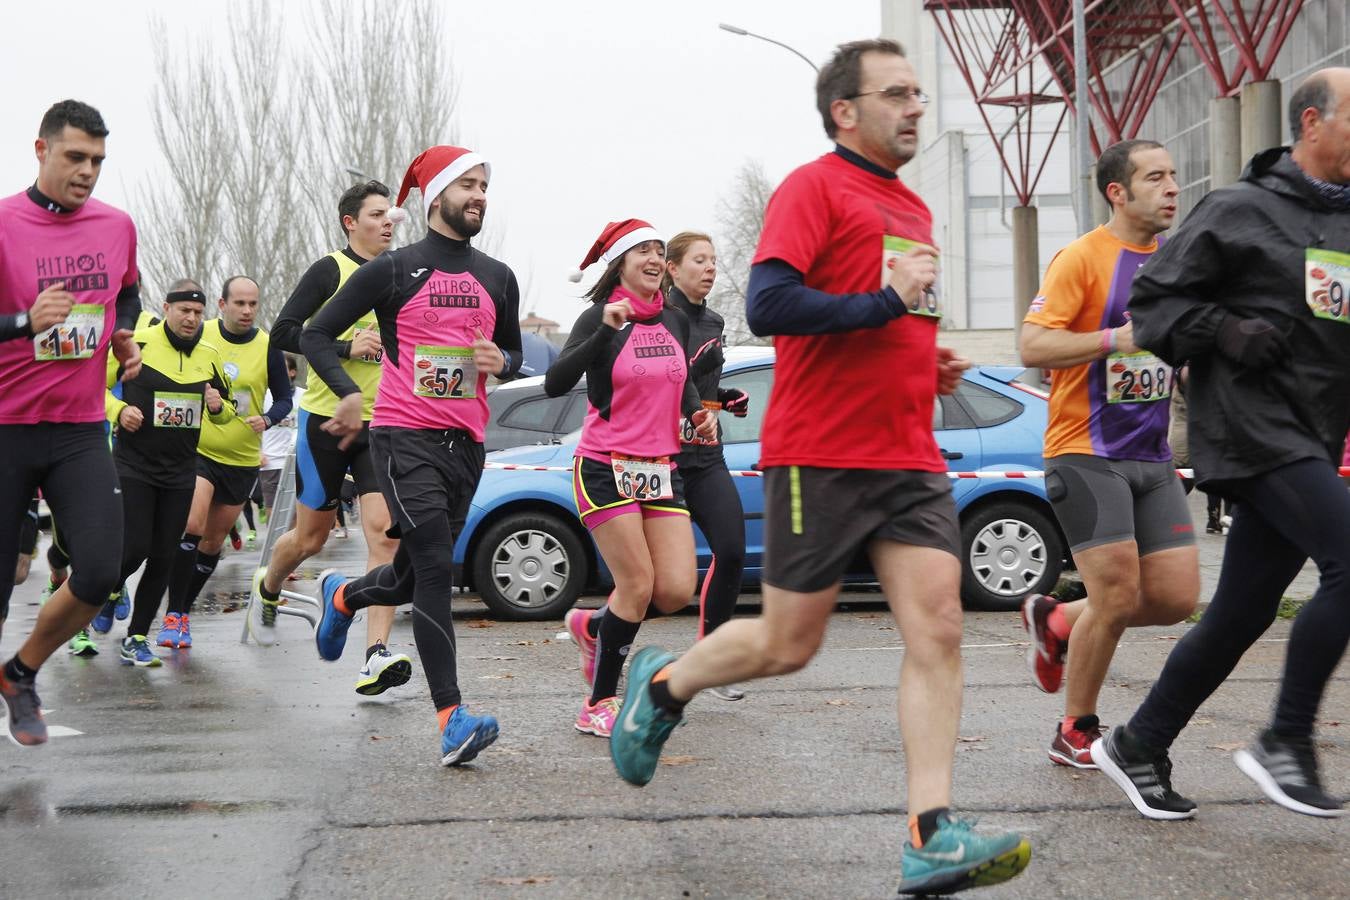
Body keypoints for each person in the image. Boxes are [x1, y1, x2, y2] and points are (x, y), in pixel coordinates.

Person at [606, 40, 1030, 896]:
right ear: (846, 111)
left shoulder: (913, 208)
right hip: (821, 454)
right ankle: (665, 684)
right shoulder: (813, 188)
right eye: (896, 94)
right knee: (788, 645)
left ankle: (930, 832)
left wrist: (929, 358)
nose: (916, 106)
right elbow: (770, 303)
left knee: (940, 625)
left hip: (908, 453)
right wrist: (886, 304)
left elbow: (895, 317)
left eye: (918, 93)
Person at [1092, 67, 1350, 820]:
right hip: (1250, 430)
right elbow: (1155, 302)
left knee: (1242, 610)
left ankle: (1140, 741)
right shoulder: (1239, 210)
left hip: (1311, 432)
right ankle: (1286, 740)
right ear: (1311, 124)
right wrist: (1223, 330)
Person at [301, 145, 522, 765]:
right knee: (431, 569)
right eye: (469, 184)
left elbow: (513, 353)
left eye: (486, 184)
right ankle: (453, 718)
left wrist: (501, 362)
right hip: (403, 437)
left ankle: (343, 596)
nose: (480, 194)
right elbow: (315, 333)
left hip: (467, 443)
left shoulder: (497, 275)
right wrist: (346, 393)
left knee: (410, 573)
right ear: (436, 195)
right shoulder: (396, 270)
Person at [1017, 140, 1199, 768]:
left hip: (1151, 456)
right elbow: (1033, 345)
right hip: (1085, 451)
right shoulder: (1082, 258)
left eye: (1173, 175)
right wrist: (1114, 338)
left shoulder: (1178, 262)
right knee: (1117, 597)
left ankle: (1061, 621)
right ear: (1117, 192)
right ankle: (1075, 729)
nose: (1172, 187)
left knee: (1176, 598)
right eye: (1155, 177)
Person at [0, 99, 142, 745]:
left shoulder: (116, 225)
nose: (87, 171)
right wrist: (23, 325)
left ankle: (21, 672)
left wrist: (126, 335)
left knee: (99, 572)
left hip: (80, 428)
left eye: (97, 161)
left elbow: (129, 291)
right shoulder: (4, 224)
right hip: (6, 426)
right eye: (75, 157)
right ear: (41, 150)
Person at [546, 220, 714, 738]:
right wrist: (605, 329)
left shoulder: (675, 320)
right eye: (642, 249)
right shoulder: (599, 316)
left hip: (660, 469)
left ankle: (594, 626)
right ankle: (598, 702)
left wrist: (697, 415)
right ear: (620, 262)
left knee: (674, 591)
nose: (653, 257)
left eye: (658, 250)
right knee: (636, 585)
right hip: (604, 466)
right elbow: (556, 383)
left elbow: (680, 378)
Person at [251, 181, 410, 696]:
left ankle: (375, 655)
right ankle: (270, 584)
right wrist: (345, 346)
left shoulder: (400, 272)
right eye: (377, 215)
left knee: (383, 534)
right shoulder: (330, 270)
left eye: (392, 215)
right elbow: (283, 333)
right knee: (310, 538)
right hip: (324, 421)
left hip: (382, 422)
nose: (388, 223)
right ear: (350, 222)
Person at [105, 286, 236, 663]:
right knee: (136, 547)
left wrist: (217, 407)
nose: (191, 318)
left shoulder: (210, 355)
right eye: (184, 310)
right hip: (134, 465)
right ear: (166, 309)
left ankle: (137, 637)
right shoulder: (137, 344)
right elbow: (94, 390)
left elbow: (227, 410)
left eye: (198, 311)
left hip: (181, 470)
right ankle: (109, 589)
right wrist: (118, 410)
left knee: (163, 556)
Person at [164, 275, 292, 648]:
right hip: (199, 448)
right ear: (222, 305)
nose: (248, 310)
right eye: (240, 303)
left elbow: (283, 398)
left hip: (242, 456)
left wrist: (267, 419)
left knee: (213, 542)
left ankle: (183, 612)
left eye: (253, 303)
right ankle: (173, 612)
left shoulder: (268, 345)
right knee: (192, 523)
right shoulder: (199, 333)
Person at [662, 231, 750, 701]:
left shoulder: (714, 321)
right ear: (673, 269)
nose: (711, 268)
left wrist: (726, 400)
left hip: (706, 458)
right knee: (658, 585)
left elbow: (702, 385)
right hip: (665, 459)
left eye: (714, 260)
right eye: (700, 260)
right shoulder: (658, 317)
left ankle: (710, 658)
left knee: (732, 550)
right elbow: (668, 383)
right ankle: (597, 629)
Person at [257, 354, 301, 515]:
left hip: (296, 462)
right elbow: (252, 425)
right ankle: (276, 541)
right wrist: (258, 451)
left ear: (292, 372)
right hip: (270, 462)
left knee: (296, 513)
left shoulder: (304, 395)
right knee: (273, 513)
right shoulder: (263, 394)